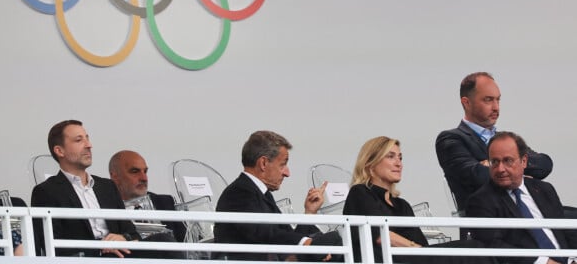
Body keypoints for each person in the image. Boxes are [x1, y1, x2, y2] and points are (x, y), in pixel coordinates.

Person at [31, 120, 181, 258]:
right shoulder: (46, 192)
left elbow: (132, 233)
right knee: (164, 243)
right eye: (79, 140)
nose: (89, 145)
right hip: (88, 259)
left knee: (165, 241)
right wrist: (101, 247)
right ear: (59, 151)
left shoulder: (107, 187)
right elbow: (51, 244)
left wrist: (123, 238)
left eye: (87, 138)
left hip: (121, 256)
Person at [343, 136, 496, 264]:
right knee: (472, 249)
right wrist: (416, 249)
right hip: (385, 260)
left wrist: (420, 250)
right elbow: (380, 236)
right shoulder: (360, 193)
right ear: (370, 164)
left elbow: (422, 246)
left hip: (411, 258)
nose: (399, 163)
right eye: (390, 156)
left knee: (477, 248)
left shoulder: (402, 205)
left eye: (400, 158)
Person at [214, 130, 341, 261]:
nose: (287, 173)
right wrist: (307, 243)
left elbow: (287, 237)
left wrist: (309, 212)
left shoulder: (262, 194)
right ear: (263, 163)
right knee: (333, 242)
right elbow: (262, 233)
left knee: (334, 241)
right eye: (283, 164)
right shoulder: (238, 192)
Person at [436, 72, 553, 213]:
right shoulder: (451, 139)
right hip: (489, 218)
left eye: (498, 100)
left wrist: (492, 164)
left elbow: (544, 164)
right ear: (466, 103)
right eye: (488, 100)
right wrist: (517, 168)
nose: (496, 107)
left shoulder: (504, 140)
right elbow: (476, 175)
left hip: (528, 210)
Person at [466, 131, 577, 264]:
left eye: (508, 161)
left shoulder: (544, 190)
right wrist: (544, 262)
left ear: (523, 161)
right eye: (494, 162)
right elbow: (493, 247)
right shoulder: (480, 201)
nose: (500, 169)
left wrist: (572, 259)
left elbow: (564, 232)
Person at [109, 150, 186, 242]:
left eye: (145, 171)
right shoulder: (105, 207)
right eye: (134, 171)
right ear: (115, 177)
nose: (144, 178)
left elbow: (187, 242)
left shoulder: (165, 202)